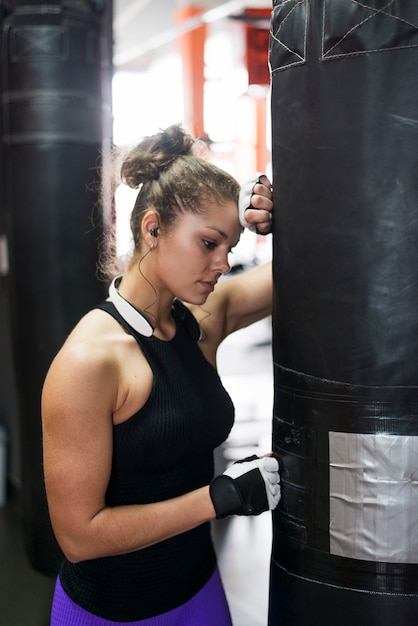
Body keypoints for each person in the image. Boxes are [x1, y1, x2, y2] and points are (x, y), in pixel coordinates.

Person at [41, 124, 279, 626]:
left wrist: (285, 214)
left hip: (199, 589)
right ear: (153, 229)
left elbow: (303, 272)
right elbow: (79, 537)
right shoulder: (92, 361)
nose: (222, 264)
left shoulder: (202, 320)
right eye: (209, 243)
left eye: (230, 248)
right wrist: (217, 498)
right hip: (113, 611)